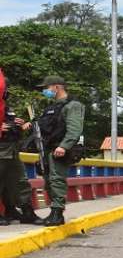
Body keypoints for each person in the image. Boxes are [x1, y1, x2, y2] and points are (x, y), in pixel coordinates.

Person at [36, 76, 85, 226]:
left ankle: (57, 213)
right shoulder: (52, 107)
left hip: (61, 149)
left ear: (57, 87)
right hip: (48, 149)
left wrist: (64, 146)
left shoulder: (73, 105)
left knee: (57, 180)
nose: (45, 91)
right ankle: (53, 213)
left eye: (47, 88)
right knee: (48, 181)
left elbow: (75, 129)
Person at [0, 93, 44, 226]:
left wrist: (20, 126)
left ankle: (26, 211)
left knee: (20, 181)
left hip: (11, 148)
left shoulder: (6, 108)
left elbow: (12, 130)